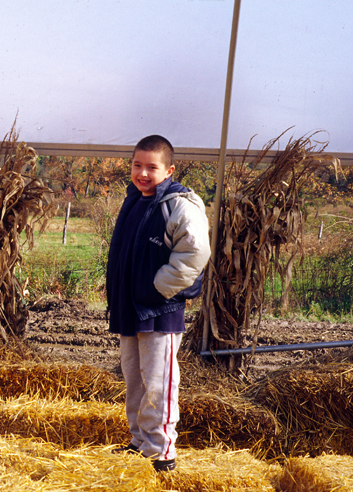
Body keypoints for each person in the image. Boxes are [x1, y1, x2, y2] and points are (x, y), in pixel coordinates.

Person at [106, 135, 211, 472]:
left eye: (152, 167)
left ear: (169, 170)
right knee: (134, 379)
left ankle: (161, 452)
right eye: (138, 165)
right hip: (130, 307)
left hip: (158, 309)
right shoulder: (134, 200)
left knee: (158, 381)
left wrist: (157, 289)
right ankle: (139, 442)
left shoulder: (178, 204)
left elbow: (195, 253)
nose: (143, 173)